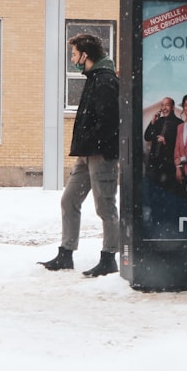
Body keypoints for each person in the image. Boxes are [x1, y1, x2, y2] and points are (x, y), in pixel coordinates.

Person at [39, 33, 120, 277]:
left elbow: (108, 122)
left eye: (74, 54)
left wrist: (92, 142)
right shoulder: (94, 78)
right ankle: (66, 253)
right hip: (86, 154)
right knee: (69, 200)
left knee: (105, 206)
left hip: (100, 155)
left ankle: (109, 258)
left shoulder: (105, 80)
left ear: (86, 55)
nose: (72, 58)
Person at [144, 97, 182, 196]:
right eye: (162, 105)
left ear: (173, 107)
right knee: (153, 195)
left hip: (168, 166)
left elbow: (180, 147)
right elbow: (147, 137)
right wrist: (152, 123)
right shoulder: (157, 121)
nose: (164, 108)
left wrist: (166, 142)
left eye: (167, 105)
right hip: (154, 165)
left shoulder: (179, 124)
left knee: (166, 196)